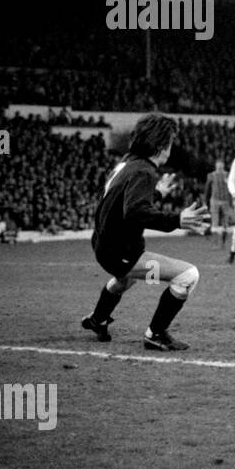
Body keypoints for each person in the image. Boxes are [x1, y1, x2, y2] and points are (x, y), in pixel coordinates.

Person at [81, 113, 210, 350]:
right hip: (120, 251)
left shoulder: (127, 163)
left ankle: (97, 319)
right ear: (162, 146)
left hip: (103, 246)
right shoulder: (145, 171)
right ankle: (155, 334)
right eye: (170, 143)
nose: (171, 149)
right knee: (188, 275)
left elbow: (123, 200)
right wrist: (177, 220)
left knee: (126, 280)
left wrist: (157, 193)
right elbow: (135, 212)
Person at [206, 159, 232, 246]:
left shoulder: (228, 175)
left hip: (225, 201)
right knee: (215, 222)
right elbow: (208, 189)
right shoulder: (211, 175)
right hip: (215, 200)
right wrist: (206, 201)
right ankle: (215, 243)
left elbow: (232, 188)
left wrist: (232, 201)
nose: (220, 168)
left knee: (225, 222)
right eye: (218, 166)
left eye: (221, 166)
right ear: (216, 166)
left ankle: (223, 243)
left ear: (223, 166)